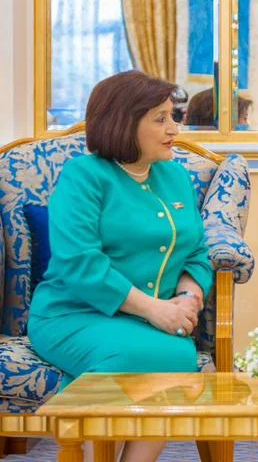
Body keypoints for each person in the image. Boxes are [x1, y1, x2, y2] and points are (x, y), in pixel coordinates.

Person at [30, 70, 214, 462]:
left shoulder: (175, 176)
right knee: (167, 358)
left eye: (173, 116)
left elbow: (197, 252)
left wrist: (187, 297)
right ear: (123, 122)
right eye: (160, 119)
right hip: (73, 315)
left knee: (173, 356)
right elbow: (79, 263)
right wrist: (155, 310)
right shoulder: (84, 176)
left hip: (154, 319)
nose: (174, 129)